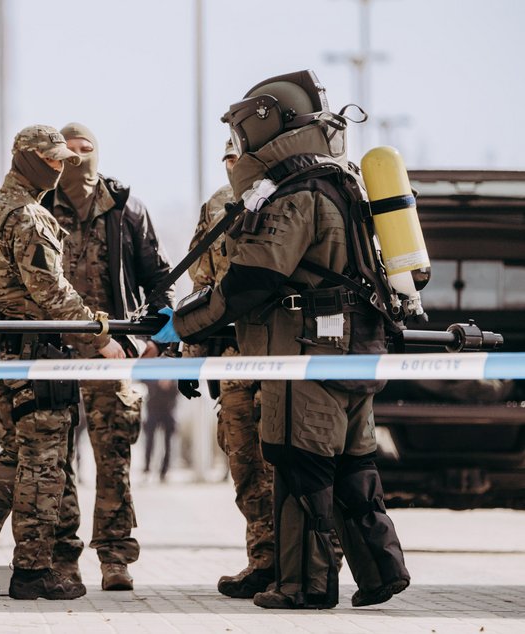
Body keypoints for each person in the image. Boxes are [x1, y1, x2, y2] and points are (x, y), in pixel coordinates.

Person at [159, 70, 411, 609]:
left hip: (304, 358)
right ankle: (380, 572)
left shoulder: (295, 194)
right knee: (353, 464)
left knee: (300, 465)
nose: (242, 144)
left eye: (244, 131)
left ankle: (304, 586)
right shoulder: (346, 183)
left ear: (269, 124)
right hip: (357, 352)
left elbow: (251, 281)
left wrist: (179, 324)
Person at [0, 124, 126, 601]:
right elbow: (51, 289)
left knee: (16, 454)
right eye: (52, 160)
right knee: (43, 463)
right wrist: (98, 332)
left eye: (64, 159)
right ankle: (32, 571)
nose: (62, 167)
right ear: (27, 159)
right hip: (34, 351)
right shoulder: (30, 215)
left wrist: (4, 300)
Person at [42, 122, 175, 591]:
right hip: (53, 355)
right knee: (56, 460)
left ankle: (115, 557)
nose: (79, 158)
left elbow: (159, 277)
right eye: (69, 150)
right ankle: (62, 556)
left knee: (113, 456)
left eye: (87, 149)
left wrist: (160, 337)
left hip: (111, 356)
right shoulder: (40, 206)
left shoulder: (125, 208)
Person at [181, 139, 276, 599]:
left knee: (290, 464)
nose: (234, 165)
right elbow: (203, 284)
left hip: (283, 359)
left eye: (241, 156)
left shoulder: (287, 198)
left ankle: (308, 563)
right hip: (235, 362)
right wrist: (190, 354)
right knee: (246, 468)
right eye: (228, 159)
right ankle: (264, 561)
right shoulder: (218, 206)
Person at [141, 379, 178, 483]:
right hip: (153, 407)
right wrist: (157, 383)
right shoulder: (151, 363)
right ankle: (147, 469)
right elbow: (143, 378)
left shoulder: (174, 364)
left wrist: (170, 383)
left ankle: (165, 471)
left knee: (169, 443)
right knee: (149, 442)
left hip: (169, 408)